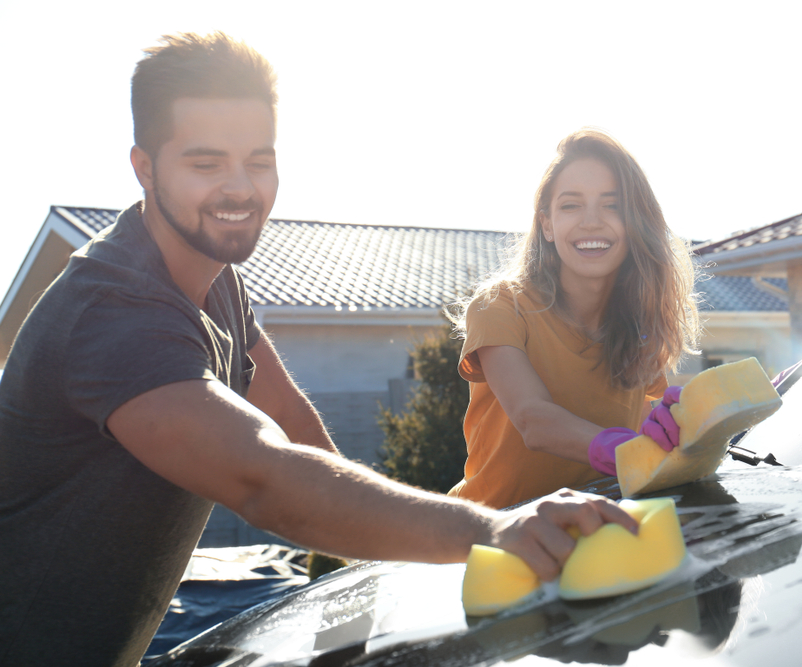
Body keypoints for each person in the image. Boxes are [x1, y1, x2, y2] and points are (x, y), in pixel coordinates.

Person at [0, 33, 635, 666]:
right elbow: (262, 476)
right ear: (143, 168)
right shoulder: (113, 313)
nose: (240, 189)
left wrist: (371, 577)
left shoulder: (216, 282)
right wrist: (494, 530)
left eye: (259, 160)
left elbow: (299, 434)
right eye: (206, 164)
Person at [448, 129, 701, 509]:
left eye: (612, 206)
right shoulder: (500, 306)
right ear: (546, 224)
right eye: (571, 206)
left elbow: (644, 413)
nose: (592, 222)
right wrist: (624, 449)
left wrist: (681, 424)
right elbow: (534, 420)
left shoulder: (639, 327)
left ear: (635, 223)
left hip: (601, 532)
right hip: (494, 537)